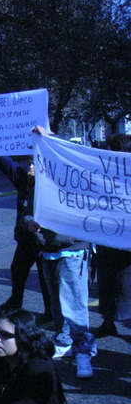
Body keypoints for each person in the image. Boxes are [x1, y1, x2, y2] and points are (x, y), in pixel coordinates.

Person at [28, 126, 96, 379]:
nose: (32, 165)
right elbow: (28, 211)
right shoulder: (38, 182)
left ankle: (84, 351)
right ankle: (64, 339)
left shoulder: (73, 177)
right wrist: (31, 223)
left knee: (76, 306)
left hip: (73, 251)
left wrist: (50, 138)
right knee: (57, 305)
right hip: (48, 251)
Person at [0, 154, 51, 322]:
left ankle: (50, 312)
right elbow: (7, 165)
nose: (30, 167)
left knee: (45, 277)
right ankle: (15, 301)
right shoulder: (24, 181)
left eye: (34, 165)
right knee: (17, 270)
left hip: (43, 240)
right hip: (26, 239)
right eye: (29, 164)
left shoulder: (49, 185)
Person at [95, 134, 131, 337]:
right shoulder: (103, 176)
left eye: (110, 148)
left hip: (127, 245)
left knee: (126, 286)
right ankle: (108, 321)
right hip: (107, 241)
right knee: (107, 285)